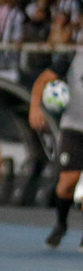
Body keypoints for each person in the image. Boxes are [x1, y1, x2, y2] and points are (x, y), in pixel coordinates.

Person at [30, 52, 83, 249]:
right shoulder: (73, 57)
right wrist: (35, 108)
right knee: (67, 182)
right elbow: (43, 80)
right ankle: (61, 223)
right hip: (74, 128)